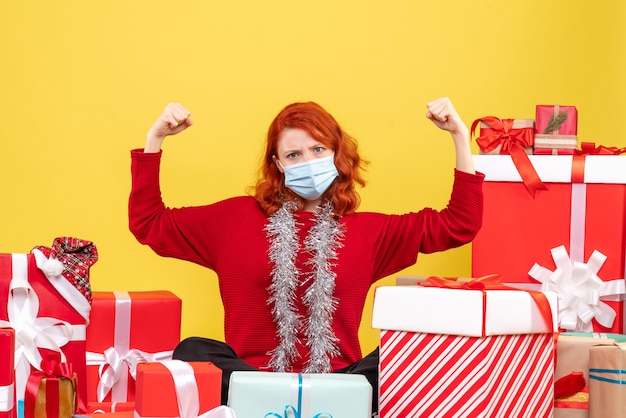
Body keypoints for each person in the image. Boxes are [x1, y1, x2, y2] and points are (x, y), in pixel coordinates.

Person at [128, 97, 484, 413]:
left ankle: (327, 401)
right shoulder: (233, 220)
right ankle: (269, 398)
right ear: (278, 163)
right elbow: (149, 223)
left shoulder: (369, 232)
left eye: (318, 150)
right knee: (193, 349)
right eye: (294, 154)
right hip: (250, 381)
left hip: (341, 385)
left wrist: (458, 135)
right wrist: (154, 138)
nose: (308, 161)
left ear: (336, 155)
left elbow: (459, 224)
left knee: (404, 353)